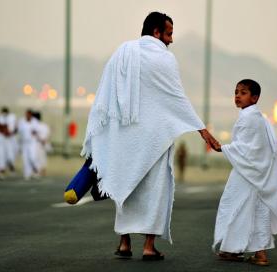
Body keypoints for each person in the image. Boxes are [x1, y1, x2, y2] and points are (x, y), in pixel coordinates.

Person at [81, 11, 218, 260]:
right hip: (154, 137)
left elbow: (106, 95)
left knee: (125, 186)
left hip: (124, 136)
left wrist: (105, 134)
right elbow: (176, 98)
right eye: (169, 33)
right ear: (156, 32)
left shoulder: (122, 53)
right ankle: (148, 246)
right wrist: (202, 129)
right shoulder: (164, 59)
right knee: (155, 190)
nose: (171, 40)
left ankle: (124, 244)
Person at [212, 79, 277, 266]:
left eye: (243, 92)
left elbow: (247, 149)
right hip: (257, 173)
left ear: (255, 97)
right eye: (236, 92)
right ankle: (249, 252)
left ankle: (238, 250)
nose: (237, 96)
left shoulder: (249, 117)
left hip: (247, 172)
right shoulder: (258, 117)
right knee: (254, 210)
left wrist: (223, 149)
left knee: (235, 206)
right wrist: (227, 149)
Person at [0, 107, 17, 180]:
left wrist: (10, 133)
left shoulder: (12, 118)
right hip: (1, 139)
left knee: (10, 157)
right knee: (0, 156)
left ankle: (11, 168)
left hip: (9, 140)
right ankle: (1, 172)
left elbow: (15, 129)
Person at [17, 109, 40, 180]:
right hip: (24, 143)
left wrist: (34, 132)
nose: (27, 116)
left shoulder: (35, 121)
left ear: (31, 115)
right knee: (25, 158)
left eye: (28, 114)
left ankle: (36, 169)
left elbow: (36, 131)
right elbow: (19, 131)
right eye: (26, 114)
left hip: (32, 142)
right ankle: (27, 174)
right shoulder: (22, 121)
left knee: (32, 157)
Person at [32, 111, 51, 176]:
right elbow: (48, 134)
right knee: (42, 157)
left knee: (38, 157)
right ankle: (42, 170)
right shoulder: (44, 126)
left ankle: (39, 171)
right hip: (42, 143)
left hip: (38, 143)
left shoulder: (36, 126)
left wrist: (42, 140)